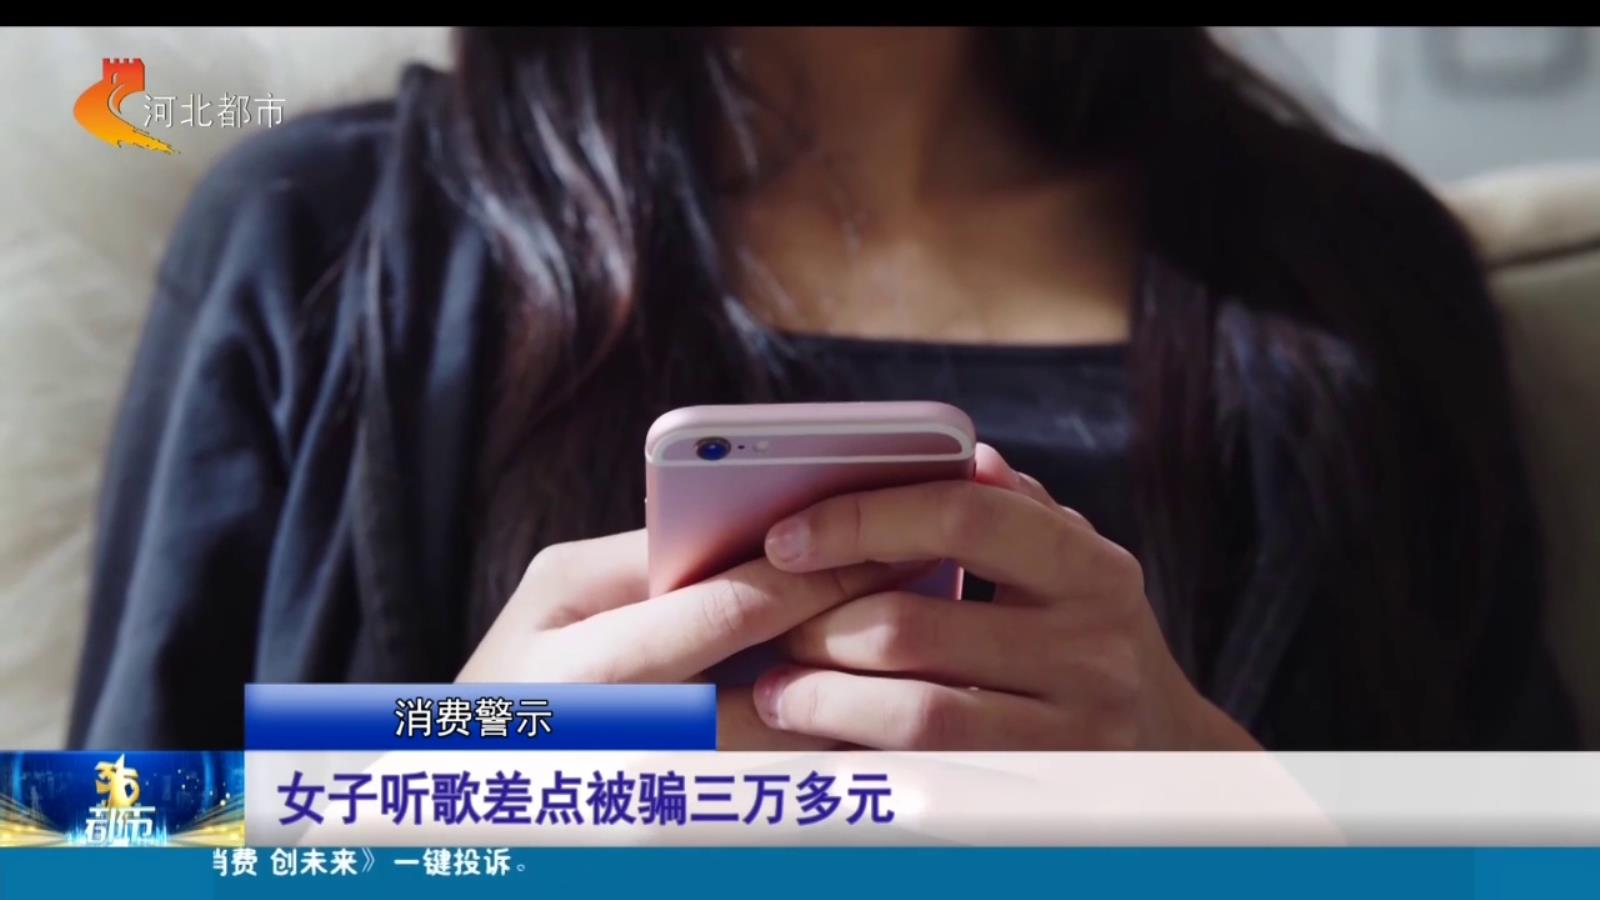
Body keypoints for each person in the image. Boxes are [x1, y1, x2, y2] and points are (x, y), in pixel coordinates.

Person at [69, 27, 1576, 751]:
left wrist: (1227, 805)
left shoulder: (1357, 277)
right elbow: (89, 843)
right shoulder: (316, 242)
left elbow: (1530, 845)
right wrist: (444, 792)